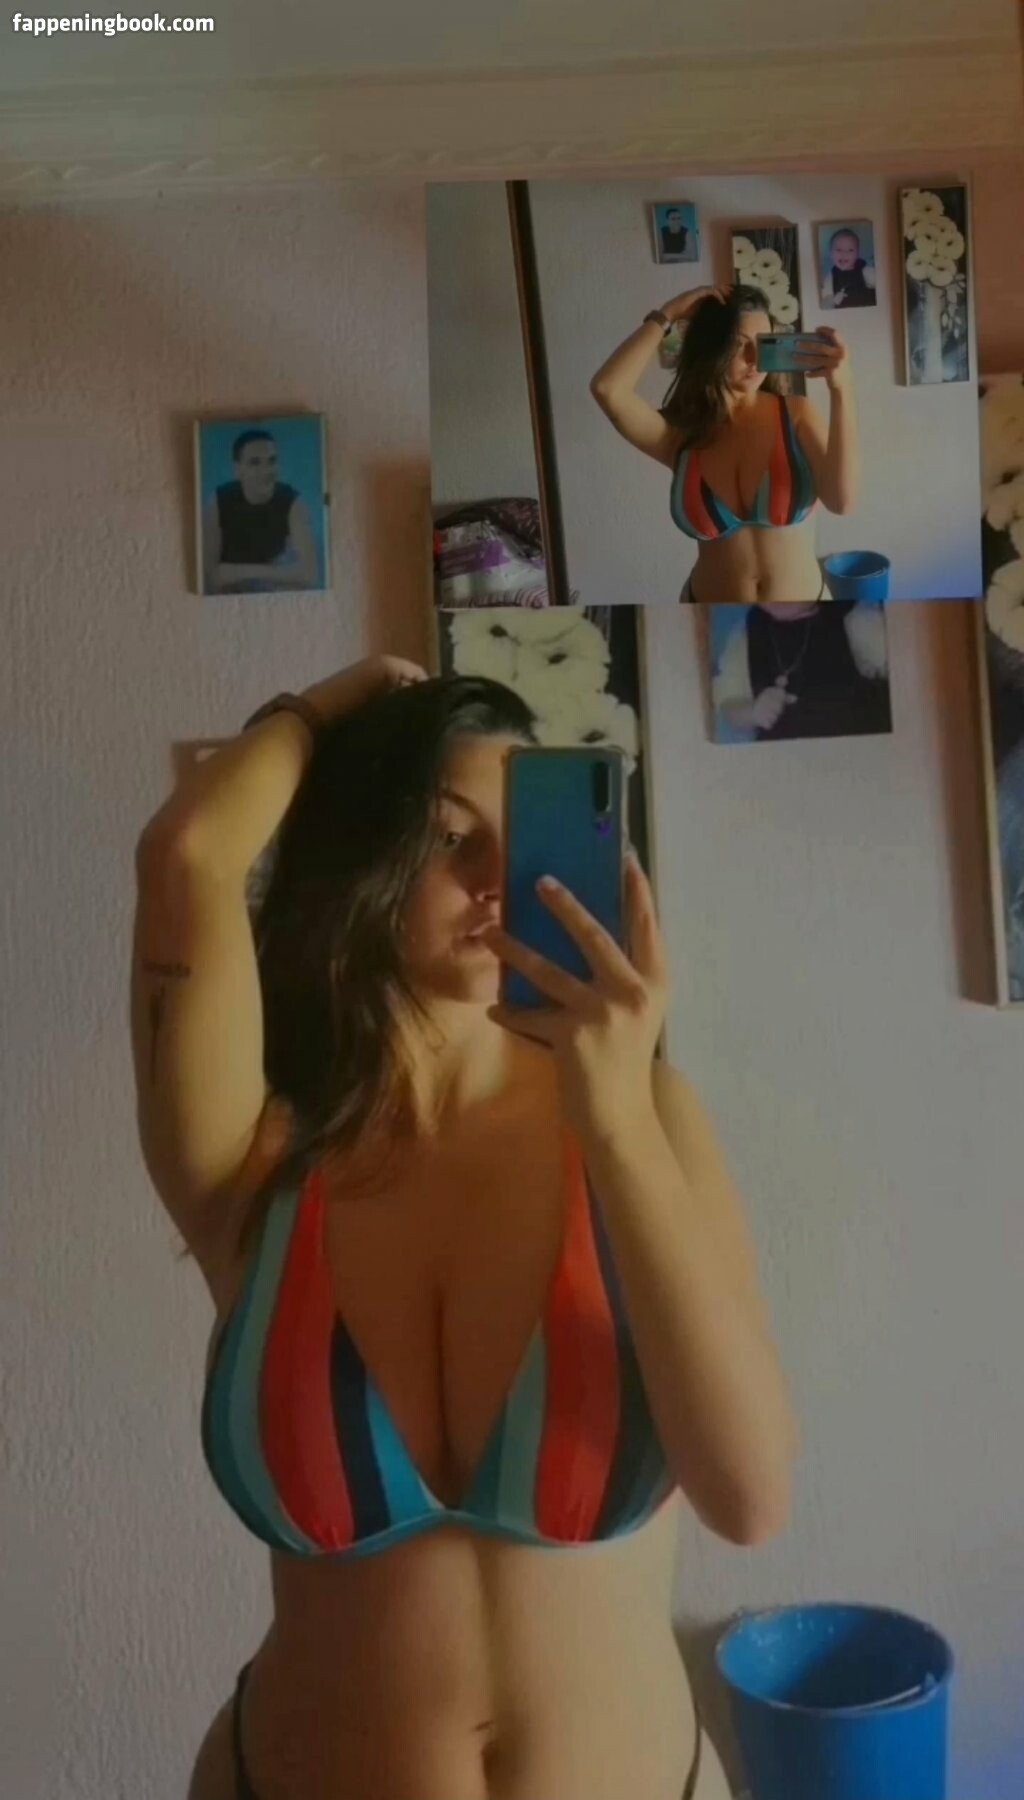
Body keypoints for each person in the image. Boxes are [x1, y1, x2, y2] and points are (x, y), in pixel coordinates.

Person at [131, 654, 800, 1800]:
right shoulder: (255, 1157)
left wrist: (612, 1114)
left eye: (522, 840)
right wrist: (336, 706)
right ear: (365, 856)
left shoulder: (645, 1117)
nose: (499, 881)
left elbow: (749, 1497)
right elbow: (187, 854)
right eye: (448, 837)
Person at [590, 283, 860, 606]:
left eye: (763, 343)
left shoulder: (796, 415)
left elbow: (842, 502)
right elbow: (608, 390)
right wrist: (667, 314)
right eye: (738, 344)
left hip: (803, 620)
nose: (754, 359)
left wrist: (842, 388)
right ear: (711, 346)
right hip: (710, 618)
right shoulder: (680, 436)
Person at [713, 599, 892, 741]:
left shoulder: (852, 618)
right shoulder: (746, 634)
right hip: (786, 756)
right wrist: (752, 713)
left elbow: (902, 669)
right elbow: (728, 704)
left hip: (853, 739)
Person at [203, 428, 320, 594]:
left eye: (272, 461)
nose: (266, 471)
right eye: (255, 462)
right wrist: (279, 572)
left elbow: (310, 575)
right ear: (237, 470)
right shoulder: (218, 501)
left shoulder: (293, 503)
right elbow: (210, 578)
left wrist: (238, 572)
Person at [823, 228, 876, 309]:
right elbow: (825, 299)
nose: (844, 254)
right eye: (839, 250)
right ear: (831, 253)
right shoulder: (831, 275)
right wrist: (833, 300)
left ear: (857, 254)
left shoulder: (865, 270)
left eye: (850, 250)